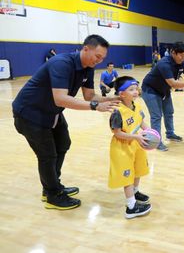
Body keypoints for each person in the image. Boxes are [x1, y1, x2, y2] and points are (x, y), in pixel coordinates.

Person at [13, 35, 120, 210]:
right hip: (30, 114)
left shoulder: (88, 67)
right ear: (86, 49)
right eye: (97, 56)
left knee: (63, 144)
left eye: (102, 58)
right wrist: (94, 107)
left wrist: (113, 98)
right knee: (47, 155)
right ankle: (53, 196)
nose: (99, 61)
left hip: (51, 113)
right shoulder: (61, 63)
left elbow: (89, 96)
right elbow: (61, 99)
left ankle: (52, 186)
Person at [141, 42, 184, 151]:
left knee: (169, 112)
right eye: (181, 55)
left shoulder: (181, 62)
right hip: (150, 90)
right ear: (173, 53)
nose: (183, 58)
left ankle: (170, 133)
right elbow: (173, 83)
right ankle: (157, 142)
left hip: (164, 90)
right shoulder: (164, 63)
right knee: (157, 116)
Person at [108, 76, 151, 219]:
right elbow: (117, 133)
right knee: (127, 177)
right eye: (131, 89)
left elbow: (141, 122)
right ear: (121, 94)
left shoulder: (137, 106)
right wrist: (137, 137)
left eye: (136, 89)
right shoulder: (117, 112)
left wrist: (150, 133)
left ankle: (135, 191)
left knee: (138, 170)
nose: (135, 92)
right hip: (122, 147)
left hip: (136, 143)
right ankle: (131, 207)